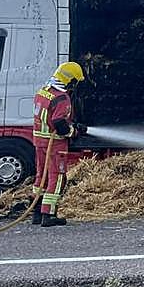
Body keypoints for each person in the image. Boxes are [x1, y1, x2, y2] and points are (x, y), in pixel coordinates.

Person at [31, 61, 86, 227]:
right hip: (54, 145)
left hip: (39, 141)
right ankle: (48, 214)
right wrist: (74, 132)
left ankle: (36, 212)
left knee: (42, 177)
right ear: (70, 80)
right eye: (75, 82)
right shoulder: (62, 98)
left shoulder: (44, 91)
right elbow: (59, 124)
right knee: (57, 178)